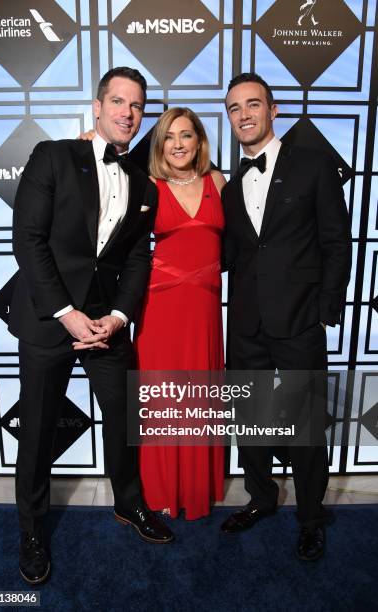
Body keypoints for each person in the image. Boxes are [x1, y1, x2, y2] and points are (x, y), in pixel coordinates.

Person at [10, 66, 174, 585]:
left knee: (125, 419)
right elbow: (28, 238)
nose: (129, 113)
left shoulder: (143, 184)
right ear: (98, 107)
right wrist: (67, 313)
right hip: (51, 320)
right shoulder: (53, 156)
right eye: (119, 102)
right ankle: (32, 531)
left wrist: (118, 316)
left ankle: (129, 504)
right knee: (37, 432)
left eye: (138, 106)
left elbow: (137, 261)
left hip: (106, 324)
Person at [220, 73, 352, 560]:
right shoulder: (230, 187)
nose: (245, 115)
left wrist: (325, 312)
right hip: (247, 323)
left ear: (273, 111)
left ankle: (311, 517)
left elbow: (337, 243)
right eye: (235, 108)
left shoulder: (313, 166)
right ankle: (261, 497)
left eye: (253, 104)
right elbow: (231, 252)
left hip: (299, 320)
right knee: (250, 417)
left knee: (304, 423)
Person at [135, 108, 226, 519]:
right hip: (161, 308)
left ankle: (195, 489)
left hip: (204, 307)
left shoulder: (218, 182)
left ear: (199, 141)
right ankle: (162, 491)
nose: (177, 144)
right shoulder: (149, 185)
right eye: (169, 137)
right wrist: (85, 144)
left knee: (200, 394)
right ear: (159, 145)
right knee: (164, 397)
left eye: (186, 135)